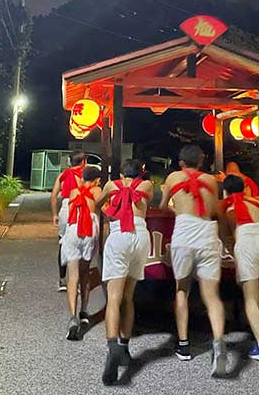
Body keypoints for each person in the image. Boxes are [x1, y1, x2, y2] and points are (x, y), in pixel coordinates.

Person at [160, 145, 228, 378]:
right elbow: (215, 209)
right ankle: (218, 343)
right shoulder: (211, 180)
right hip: (207, 233)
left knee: (182, 289)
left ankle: (184, 344)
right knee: (211, 295)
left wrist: (176, 207)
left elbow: (162, 206)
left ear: (181, 163)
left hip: (184, 233)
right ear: (201, 161)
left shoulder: (173, 177)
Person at [96, 159, 153, 385]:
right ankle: (124, 347)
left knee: (113, 298)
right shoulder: (146, 186)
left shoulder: (111, 185)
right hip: (140, 236)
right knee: (129, 297)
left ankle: (112, 349)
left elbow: (95, 203)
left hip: (119, 234)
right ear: (141, 172)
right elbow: (144, 194)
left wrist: (110, 210)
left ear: (120, 173)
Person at [218, 175, 259, 361]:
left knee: (249, 295)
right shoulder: (256, 202)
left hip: (246, 240)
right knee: (256, 289)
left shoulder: (224, 204)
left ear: (225, 190)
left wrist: (231, 251)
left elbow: (225, 234)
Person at [60, 166, 102, 340]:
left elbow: (70, 211)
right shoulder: (97, 190)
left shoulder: (73, 192)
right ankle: (84, 311)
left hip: (73, 230)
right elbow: (105, 208)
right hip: (89, 230)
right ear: (97, 180)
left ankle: (72, 318)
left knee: (73, 276)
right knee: (85, 273)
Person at [51, 152, 87, 291]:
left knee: (63, 243)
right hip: (81, 209)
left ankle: (62, 280)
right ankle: (76, 281)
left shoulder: (63, 175)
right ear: (83, 161)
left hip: (65, 209)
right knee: (80, 245)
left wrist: (55, 214)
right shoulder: (87, 173)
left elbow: (54, 196)